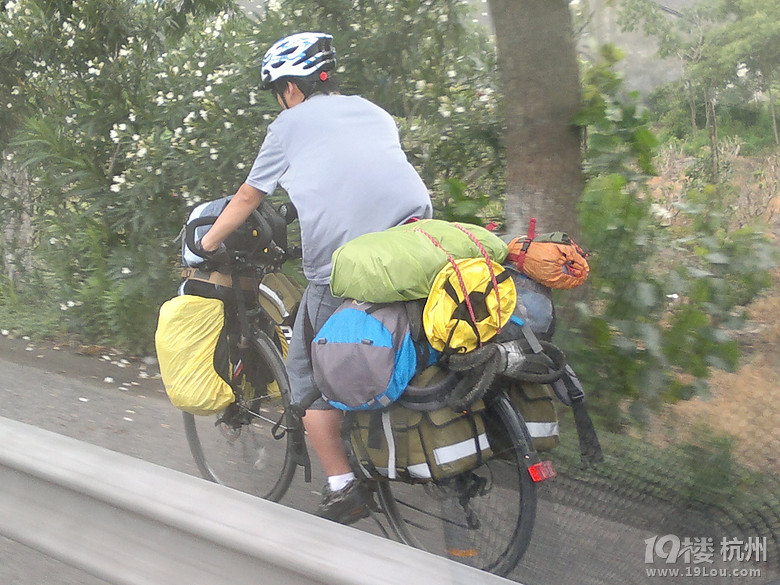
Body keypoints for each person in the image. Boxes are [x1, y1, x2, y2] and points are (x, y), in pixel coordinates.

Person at [198, 32, 433, 524]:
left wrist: (207, 244)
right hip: (417, 249)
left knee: (308, 377)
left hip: (345, 267)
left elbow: (247, 197)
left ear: (290, 87)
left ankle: (344, 487)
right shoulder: (375, 112)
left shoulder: (288, 125)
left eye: (278, 90)